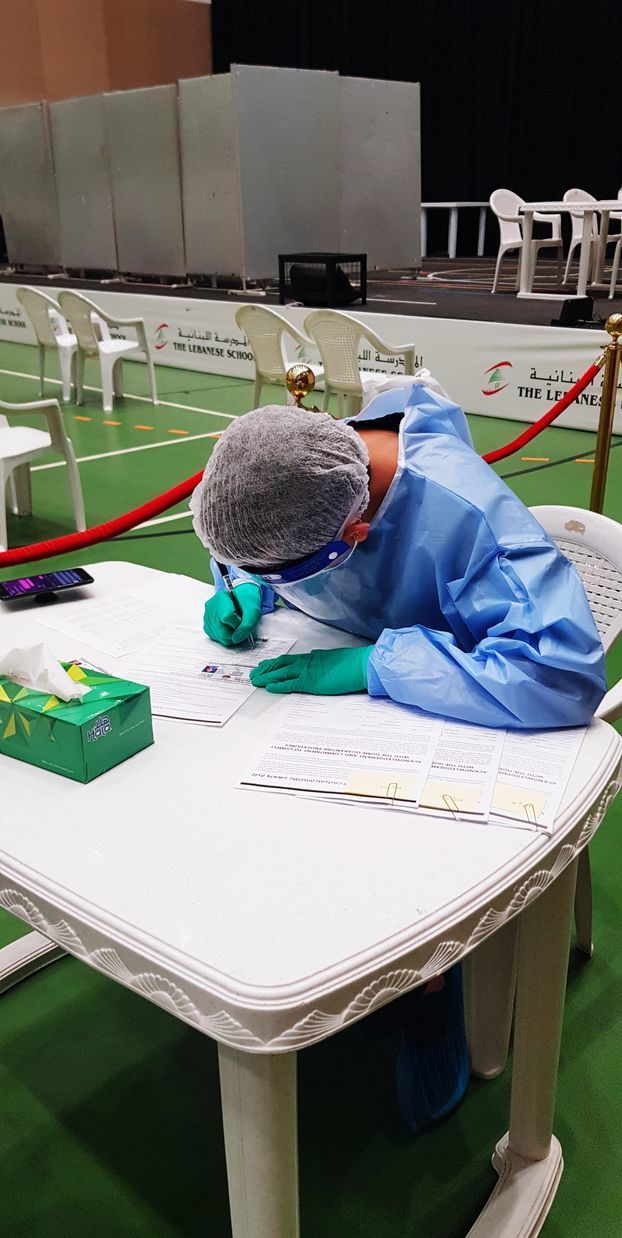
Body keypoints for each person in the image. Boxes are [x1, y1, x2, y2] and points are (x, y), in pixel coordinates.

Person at [190, 377, 606, 1131]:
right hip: (352, 685)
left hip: (464, 705)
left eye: (280, 571)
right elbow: (261, 532)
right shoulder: (301, 465)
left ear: (352, 539)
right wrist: (248, 590)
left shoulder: (464, 513)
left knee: (395, 848)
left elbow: (563, 675)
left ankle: (430, 986)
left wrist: (377, 668)